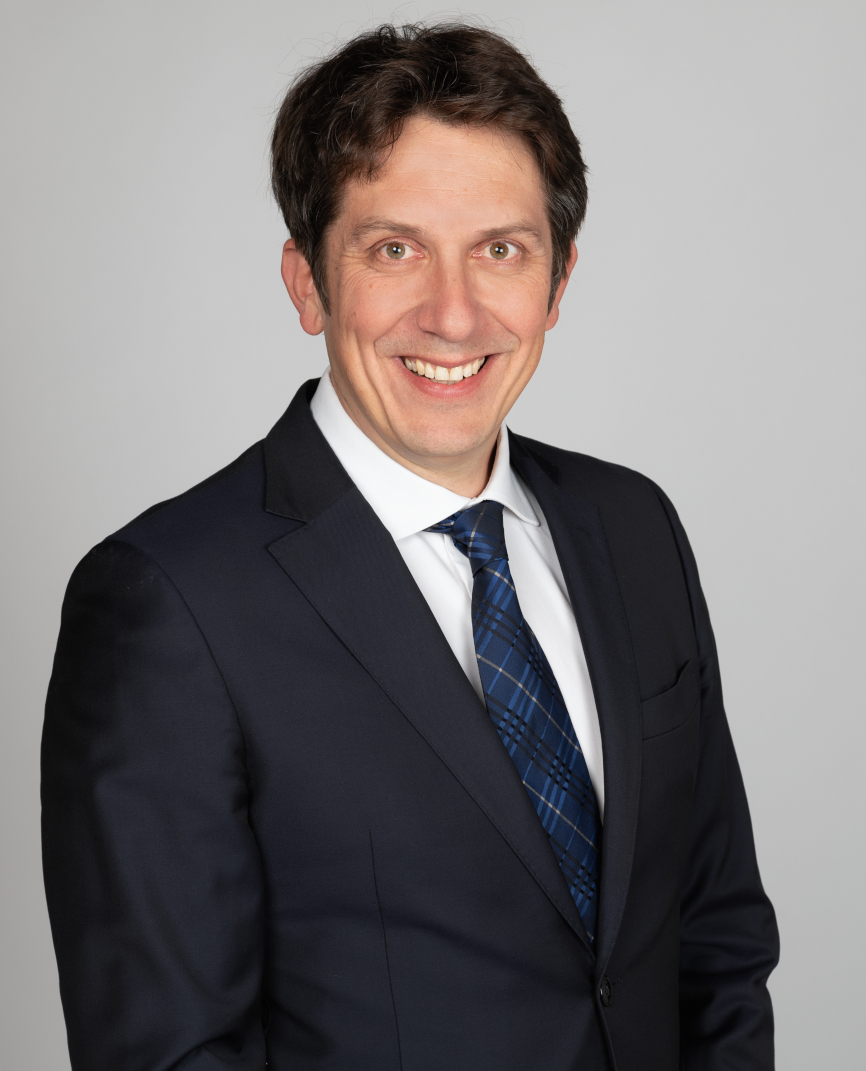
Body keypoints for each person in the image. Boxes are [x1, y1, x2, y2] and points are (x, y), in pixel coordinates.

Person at [41, 22, 779, 1071]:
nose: (453, 315)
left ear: (558, 281)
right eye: (394, 249)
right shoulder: (168, 603)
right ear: (308, 282)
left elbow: (717, 943)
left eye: (500, 250)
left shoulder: (634, 528)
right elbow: (169, 1051)